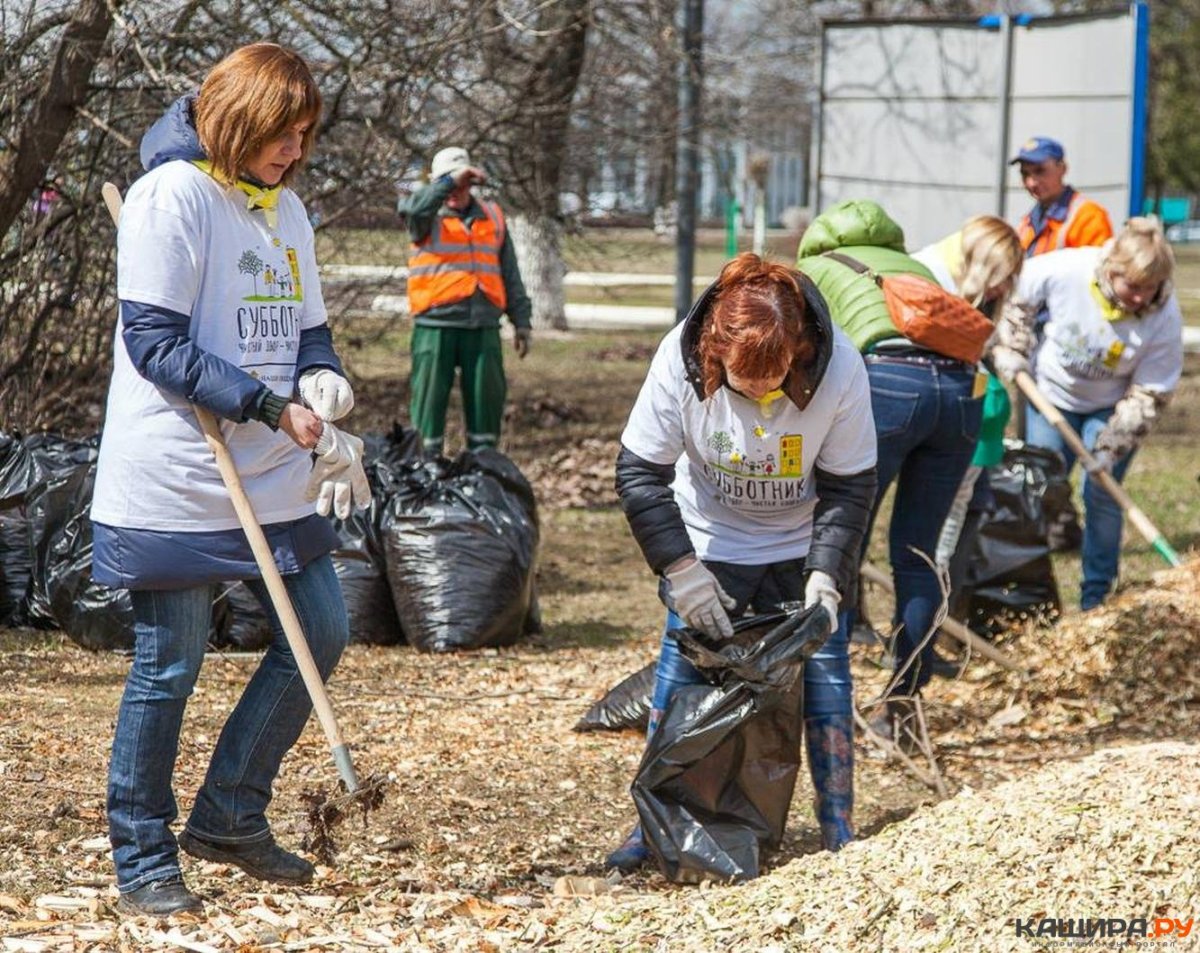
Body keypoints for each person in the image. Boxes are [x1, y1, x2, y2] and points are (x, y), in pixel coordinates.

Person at [90, 43, 370, 917]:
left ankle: (230, 813)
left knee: (321, 624)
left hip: (271, 464)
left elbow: (309, 331)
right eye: (283, 135)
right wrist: (266, 402)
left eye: (303, 137)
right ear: (241, 119)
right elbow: (157, 345)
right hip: (180, 465)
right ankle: (142, 853)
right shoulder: (171, 197)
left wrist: (320, 382)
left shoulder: (286, 212)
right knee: (170, 662)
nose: (295, 153)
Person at [606, 252, 878, 870]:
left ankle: (839, 823)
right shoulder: (679, 358)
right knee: (679, 678)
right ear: (713, 352)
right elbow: (640, 473)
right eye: (743, 383)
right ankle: (647, 827)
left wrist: (827, 575)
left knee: (827, 677)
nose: (761, 397)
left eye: (774, 381)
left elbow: (850, 485)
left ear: (799, 349)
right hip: (709, 545)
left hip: (799, 546)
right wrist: (681, 571)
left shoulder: (840, 372)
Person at [795, 200, 1001, 746]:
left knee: (841, 539)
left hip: (887, 387)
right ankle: (902, 706)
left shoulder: (817, 268)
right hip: (961, 394)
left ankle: (827, 698)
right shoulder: (918, 267)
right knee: (917, 553)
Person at [986, 217, 1183, 611]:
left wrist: (1111, 448)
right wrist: (1012, 346)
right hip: (1049, 396)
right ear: (1112, 268)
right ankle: (1027, 594)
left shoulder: (1165, 316)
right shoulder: (1069, 268)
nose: (1141, 297)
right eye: (1134, 286)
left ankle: (1097, 599)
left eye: (1150, 289)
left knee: (1104, 495)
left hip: (1110, 407)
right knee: (1037, 488)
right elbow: (1017, 298)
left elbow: (1150, 392)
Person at [912, 216, 1023, 582]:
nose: (1005, 287)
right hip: (924, 409)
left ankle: (940, 580)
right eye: (1001, 276)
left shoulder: (984, 299)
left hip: (969, 406)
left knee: (963, 501)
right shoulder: (931, 278)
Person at [402, 146, 533, 456]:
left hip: (483, 326)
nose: (458, 190)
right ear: (437, 183)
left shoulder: (492, 216)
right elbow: (413, 211)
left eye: (463, 183)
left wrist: (522, 321)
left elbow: (509, 273)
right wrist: (448, 182)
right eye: (451, 182)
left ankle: (483, 469)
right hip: (436, 327)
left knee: (487, 406)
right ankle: (424, 470)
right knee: (428, 408)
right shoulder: (424, 213)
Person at [1012, 137, 1113, 258]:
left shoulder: (1089, 216)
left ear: (1062, 168)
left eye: (1040, 171)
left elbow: (1098, 272)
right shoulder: (1027, 221)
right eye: (1025, 174)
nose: (1031, 183)